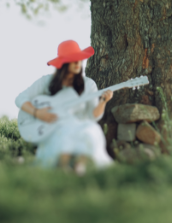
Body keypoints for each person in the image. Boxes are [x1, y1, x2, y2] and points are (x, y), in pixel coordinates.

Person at [15, 40, 114, 172]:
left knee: (91, 130)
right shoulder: (47, 81)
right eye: (73, 60)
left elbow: (93, 116)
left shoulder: (89, 84)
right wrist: (37, 113)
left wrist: (103, 102)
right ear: (64, 63)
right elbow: (20, 98)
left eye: (79, 59)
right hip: (53, 127)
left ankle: (79, 167)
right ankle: (63, 167)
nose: (78, 63)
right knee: (64, 132)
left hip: (78, 126)